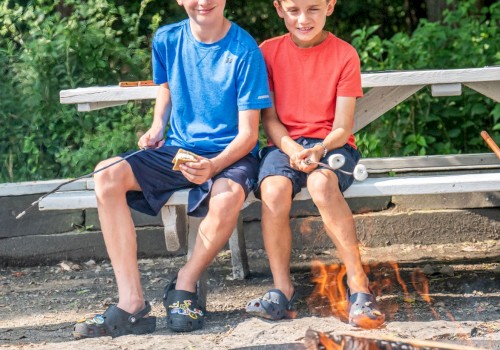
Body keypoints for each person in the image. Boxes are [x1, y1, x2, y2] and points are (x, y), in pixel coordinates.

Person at [73, 0, 271, 338]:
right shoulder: (166, 39)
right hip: (179, 150)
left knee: (227, 197)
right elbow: (165, 87)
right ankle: (131, 303)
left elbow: (249, 134)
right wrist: (157, 126)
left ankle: (184, 285)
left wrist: (214, 166)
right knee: (106, 173)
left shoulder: (245, 49)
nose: (203, 2)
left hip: (231, 155)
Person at [245, 0, 385, 328]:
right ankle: (282, 288)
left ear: (330, 6)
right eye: (293, 10)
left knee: (321, 184)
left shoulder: (344, 54)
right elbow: (271, 121)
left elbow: (343, 128)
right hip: (284, 145)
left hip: (332, 145)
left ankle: (358, 285)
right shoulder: (267, 52)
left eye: (313, 9)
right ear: (279, 8)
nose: (303, 19)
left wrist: (319, 149)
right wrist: (293, 149)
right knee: (273, 190)